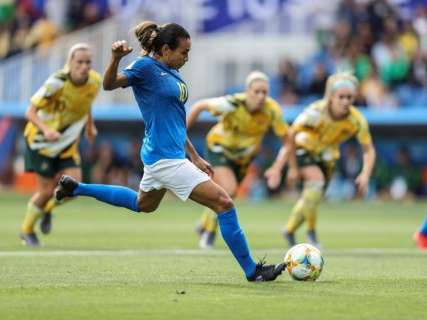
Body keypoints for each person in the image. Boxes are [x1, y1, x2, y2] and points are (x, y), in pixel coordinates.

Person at [55, 21, 284, 282]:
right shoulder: (145, 68)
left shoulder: (171, 71)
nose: (186, 57)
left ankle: (77, 188)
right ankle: (252, 271)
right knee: (224, 203)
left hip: (164, 155)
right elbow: (108, 85)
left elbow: (175, 123)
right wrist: (115, 58)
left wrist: (194, 156)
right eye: (183, 52)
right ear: (165, 49)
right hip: (165, 159)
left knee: (143, 204)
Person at [187, 70, 297, 249]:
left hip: (243, 159)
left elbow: (288, 139)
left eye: (264, 92)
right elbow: (199, 106)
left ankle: (203, 224)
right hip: (219, 148)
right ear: (248, 91)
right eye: (256, 91)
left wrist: (280, 167)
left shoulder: (272, 110)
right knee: (227, 190)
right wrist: (181, 134)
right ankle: (209, 234)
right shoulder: (233, 103)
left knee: (225, 194)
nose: (261, 96)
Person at [267, 72, 376, 248]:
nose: (346, 101)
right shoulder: (315, 112)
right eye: (341, 97)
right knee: (316, 183)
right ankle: (311, 234)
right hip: (304, 150)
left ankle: (289, 230)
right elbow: (290, 136)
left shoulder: (357, 120)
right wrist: (287, 167)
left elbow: (368, 149)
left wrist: (365, 174)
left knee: (312, 197)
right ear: (332, 97)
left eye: (350, 97)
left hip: (328, 159)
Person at [19, 43, 100, 246]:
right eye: (79, 62)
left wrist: (90, 126)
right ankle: (26, 230)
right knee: (46, 191)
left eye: (88, 62)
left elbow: (87, 103)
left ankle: (47, 210)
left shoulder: (95, 81)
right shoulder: (56, 83)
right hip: (41, 142)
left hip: (66, 145)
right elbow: (30, 112)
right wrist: (46, 129)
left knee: (74, 189)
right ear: (70, 62)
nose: (84, 66)